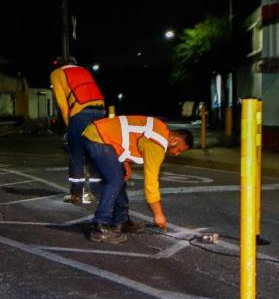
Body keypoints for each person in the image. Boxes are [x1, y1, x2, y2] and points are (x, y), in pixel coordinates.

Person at [82, 115, 193, 244]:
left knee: (119, 180)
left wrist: (125, 163)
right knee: (114, 181)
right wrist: (158, 214)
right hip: (99, 139)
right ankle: (100, 228)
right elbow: (151, 182)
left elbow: (129, 136)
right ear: (174, 140)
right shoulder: (157, 144)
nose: (176, 154)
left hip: (99, 135)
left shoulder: (160, 128)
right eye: (178, 149)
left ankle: (121, 220)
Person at [50, 58, 105, 205]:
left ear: (60, 64)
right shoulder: (84, 70)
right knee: (95, 152)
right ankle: (95, 193)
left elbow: (62, 103)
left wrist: (69, 125)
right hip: (100, 110)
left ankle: (76, 194)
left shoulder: (57, 73)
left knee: (77, 153)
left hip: (80, 112)